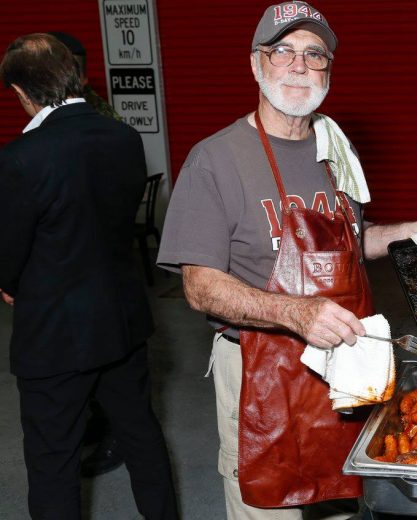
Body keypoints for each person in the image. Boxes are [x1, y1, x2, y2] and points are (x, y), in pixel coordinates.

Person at [157, 2, 417, 518]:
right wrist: (296, 313)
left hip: (342, 359)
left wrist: (404, 234)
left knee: (341, 494)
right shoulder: (217, 158)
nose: (299, 65)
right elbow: (200, 286)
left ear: (328, 70)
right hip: (260, 364)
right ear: (257, 64)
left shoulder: (336, 149)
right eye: (283, 52)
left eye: (314, 54)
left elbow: (347, 240)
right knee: (268, 500)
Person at [0, 33, 178, 519]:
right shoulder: (123, 137)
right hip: (120, 320)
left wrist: (12, 284)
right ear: (75, 75)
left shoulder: (20, 158)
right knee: (141, 434)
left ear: (20, 92)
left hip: (56, 336)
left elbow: (8, 252)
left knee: (52, 459)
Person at [50, 30, 126, 479]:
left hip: (99, 247)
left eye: (77, 63)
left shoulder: (91, 106)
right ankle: (97, 422)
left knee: (111, 351)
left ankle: (115, 432)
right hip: (75, 250)